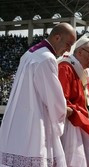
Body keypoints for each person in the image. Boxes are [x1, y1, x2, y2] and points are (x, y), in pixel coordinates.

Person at [0, 22, 76, 166]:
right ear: (57, 37)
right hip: (35, 121)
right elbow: (54, 99)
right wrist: (64, 110)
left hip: (17, 120)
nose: (67, 50)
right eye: (68, 44)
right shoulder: (47, 58)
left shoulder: (29, 53)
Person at [58, 36, 89, 167]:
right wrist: (77, 111)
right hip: (71, 123)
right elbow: (60, 101)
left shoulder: (85, 69)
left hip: (81, 119)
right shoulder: (66, 67)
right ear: (80, 51)